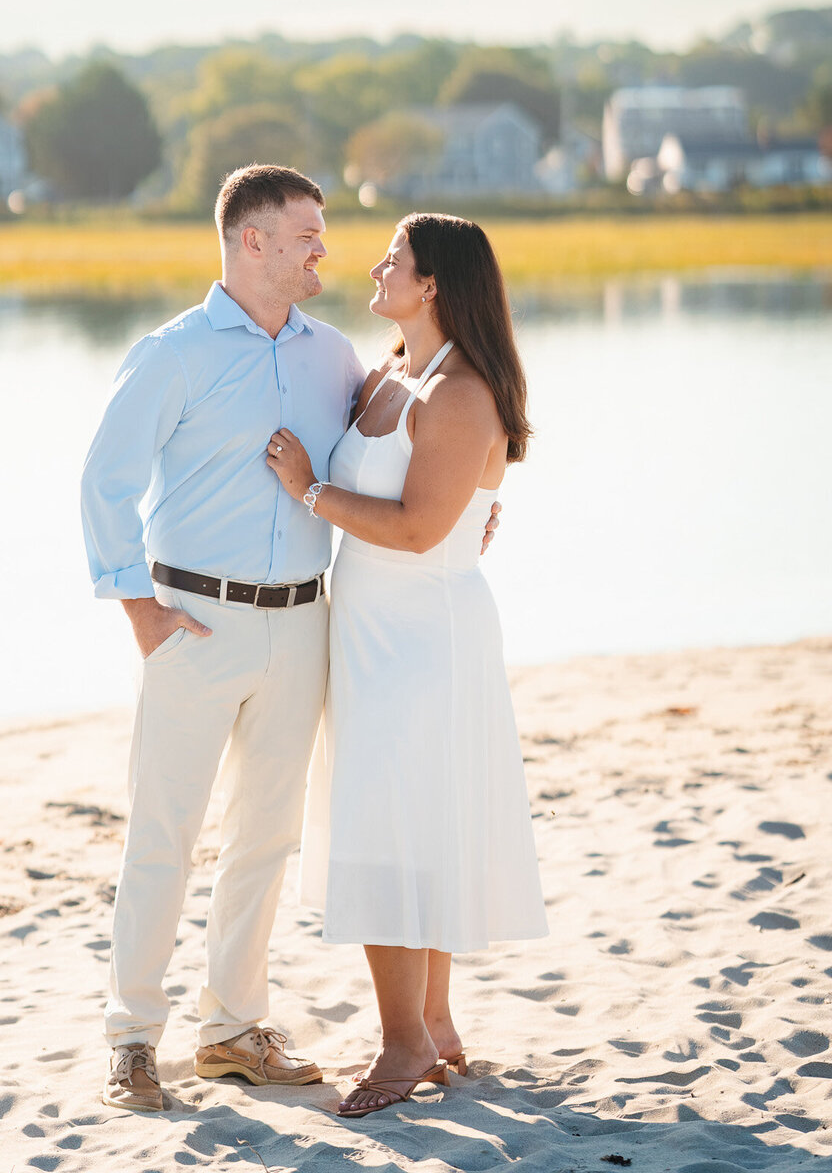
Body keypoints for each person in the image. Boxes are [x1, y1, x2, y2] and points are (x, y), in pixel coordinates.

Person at [81, 165, 502, 1111]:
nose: (325, 247)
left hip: (308, 623)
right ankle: (133, 1040)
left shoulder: (337, 358)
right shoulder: (173, 354)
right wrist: (138, 610)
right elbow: (102, 484)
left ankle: (232, 1028)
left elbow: (413, 461)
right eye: (307, 232)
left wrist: (476, 513)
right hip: (192, 621)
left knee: (265, 840)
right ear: (252, 240)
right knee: (164, 837)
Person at [266, 212, 547, 1117]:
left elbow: (423, 529)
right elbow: (441, 509)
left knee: (390, 829)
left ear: (433, 285)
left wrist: (309, 488)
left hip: (425, 638)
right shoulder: (388, 373)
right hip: (374, 626)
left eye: (396, 258)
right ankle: (435, 1024)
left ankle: (403, 1043)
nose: (376, 266)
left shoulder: (459, 390)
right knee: (404, 820)